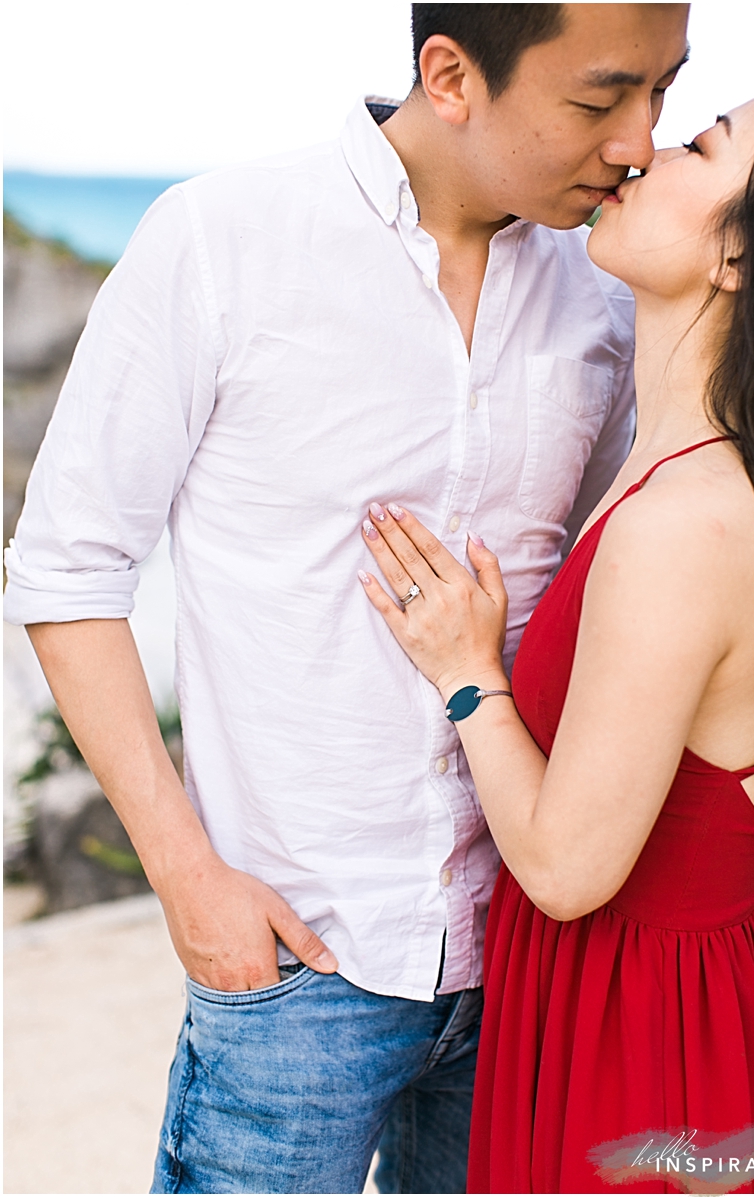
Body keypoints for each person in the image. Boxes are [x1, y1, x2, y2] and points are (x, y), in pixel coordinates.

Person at [3, 5, 691, 1193]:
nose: (636, 142)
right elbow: (67, 570)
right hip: (292, 966)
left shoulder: (607, 290)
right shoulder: (222, 239)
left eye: (664, 97)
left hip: (531, 952)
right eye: (597, 101)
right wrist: (185, 878)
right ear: (450, 74)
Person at [359, 87, 754, 1194]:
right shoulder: (685, 477)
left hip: (649, 1046)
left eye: (700, 145)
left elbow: (562, 869)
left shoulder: (684, 522)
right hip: (665, 1002)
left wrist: (469, 679)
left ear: (740, 259)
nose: (645, 150)